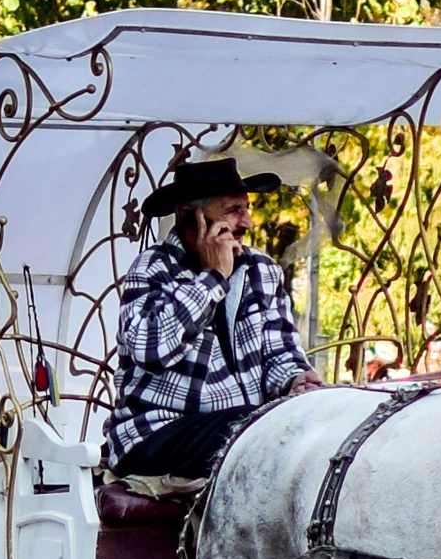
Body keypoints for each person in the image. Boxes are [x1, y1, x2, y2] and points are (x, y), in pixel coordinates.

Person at [107, 154, 320, 482]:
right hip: (157, 434)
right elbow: (150, 350)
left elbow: (281, 353)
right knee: (258, 430)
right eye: (233, 211)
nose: (247, 222)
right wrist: (213, 278)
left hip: (241, 427)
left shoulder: (261, 270)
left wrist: (296, 380)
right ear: (190, 217)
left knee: (313, 426)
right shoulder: (153, 267)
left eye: (246, 208)